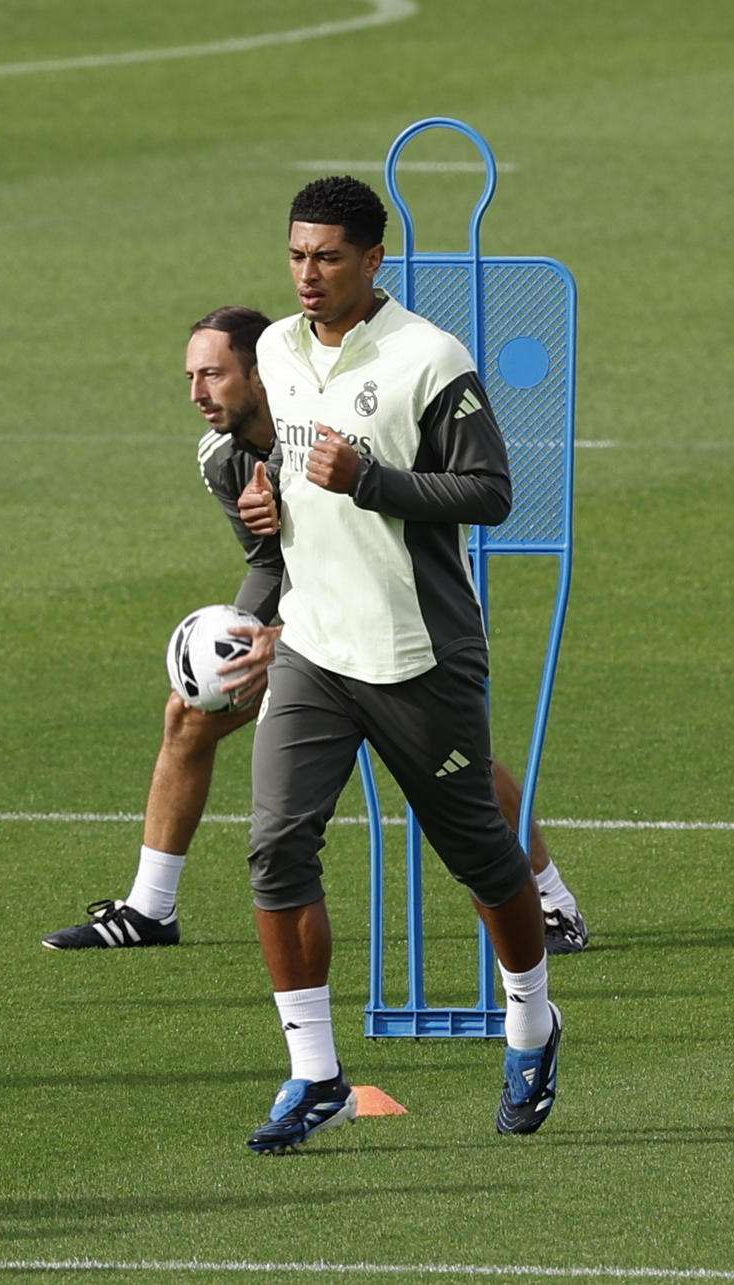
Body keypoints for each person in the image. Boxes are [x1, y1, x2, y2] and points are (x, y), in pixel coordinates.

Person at [40, 306, 588, 955]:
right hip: (310, 626)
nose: (196, 394)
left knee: (449, 760)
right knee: (189, 712)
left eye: (213, 374)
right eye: (191, 376)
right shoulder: (222, 459)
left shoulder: (337, 424)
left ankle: (551, 900)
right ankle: (150, 907)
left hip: (397, 613)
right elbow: (270, 560)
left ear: (260, 374)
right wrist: (245, 634)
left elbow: (435, 511)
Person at [238, 176, 564, 1155]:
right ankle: (315, 1071)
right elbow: (277, 470)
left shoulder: (430, 358)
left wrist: (371, 479)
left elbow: (492, 491)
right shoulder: (273, 350)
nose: (307, 273)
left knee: (480, 858)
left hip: (418, 656)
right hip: (313, 651)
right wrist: (267, 514)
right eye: (297, 254)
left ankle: (532, 1022)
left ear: (374, 261)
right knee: (275, 848)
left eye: (328, 256)